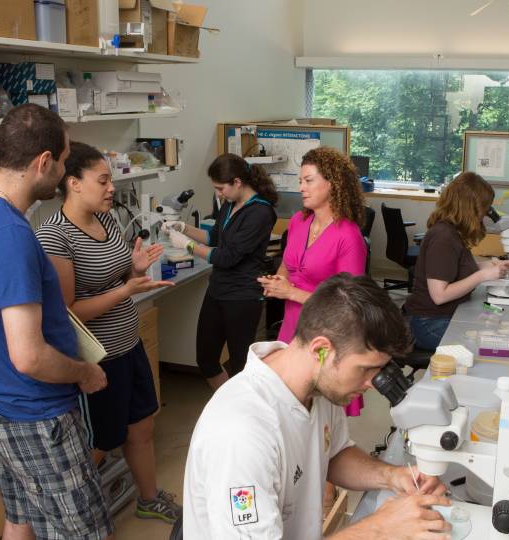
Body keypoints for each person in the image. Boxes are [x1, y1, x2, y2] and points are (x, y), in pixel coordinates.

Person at [0, 105, 113, 539]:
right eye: (62, 160)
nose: (62, 172)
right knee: (86, 532)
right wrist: (84, 373)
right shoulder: (10, 237)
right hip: (36, 416)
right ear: (42, 163)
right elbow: (29, 355)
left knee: (19, 519)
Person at [183, 273, 452, 539]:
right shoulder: (241, 433)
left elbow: (333, 454)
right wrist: (380, 527)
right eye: (365, 369)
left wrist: (392, 476)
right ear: (321, 350)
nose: (372, 383)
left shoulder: (320, 387)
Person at [35, 141, 181, 523]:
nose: (111, 188)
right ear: (73, 183)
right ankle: (72, 516)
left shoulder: (107, 220)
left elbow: (118, 277)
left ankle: (148, 499)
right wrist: (125, 290)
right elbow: (68, 311)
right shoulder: (55, 236)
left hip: (128, 344)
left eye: (110, 180)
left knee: (142, 426)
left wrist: (133, 270)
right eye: (102, 180)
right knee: (102, 440)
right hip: (98, 359)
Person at [258, 147, 368, 416]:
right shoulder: (298, 222)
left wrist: (291, 292)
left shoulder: (348, 236)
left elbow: (349, 305)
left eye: (308, 181)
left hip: (327, 336)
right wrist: (278, 281)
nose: (301, 188)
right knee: (288, 408)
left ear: (332, 184)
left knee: (320, 419)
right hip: (293, 327)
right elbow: (287, 265)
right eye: (300, 181)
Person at [165, 153, 278, 389]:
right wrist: (184, 228)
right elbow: (214, 237)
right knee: (205, 359)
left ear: (237, 182)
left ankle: (243, 417)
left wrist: (187, 246)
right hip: (218, 290)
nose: (218, 193)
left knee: (240, 365)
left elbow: (227, 257)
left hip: (243, 296)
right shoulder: (230, 204)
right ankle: (226, 404)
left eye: (220, 188)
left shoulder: (260, 212)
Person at [403, 172, 509, 350]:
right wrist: (482, 275)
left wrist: (490, 266)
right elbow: (439, 295)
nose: (485, 215)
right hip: (427, 323)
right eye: (484, 209)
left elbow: (453, 269)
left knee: (501, 317)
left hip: (446, 313)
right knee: (490, 344)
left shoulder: (452, 232)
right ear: (470, 208)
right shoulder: (443, 237)